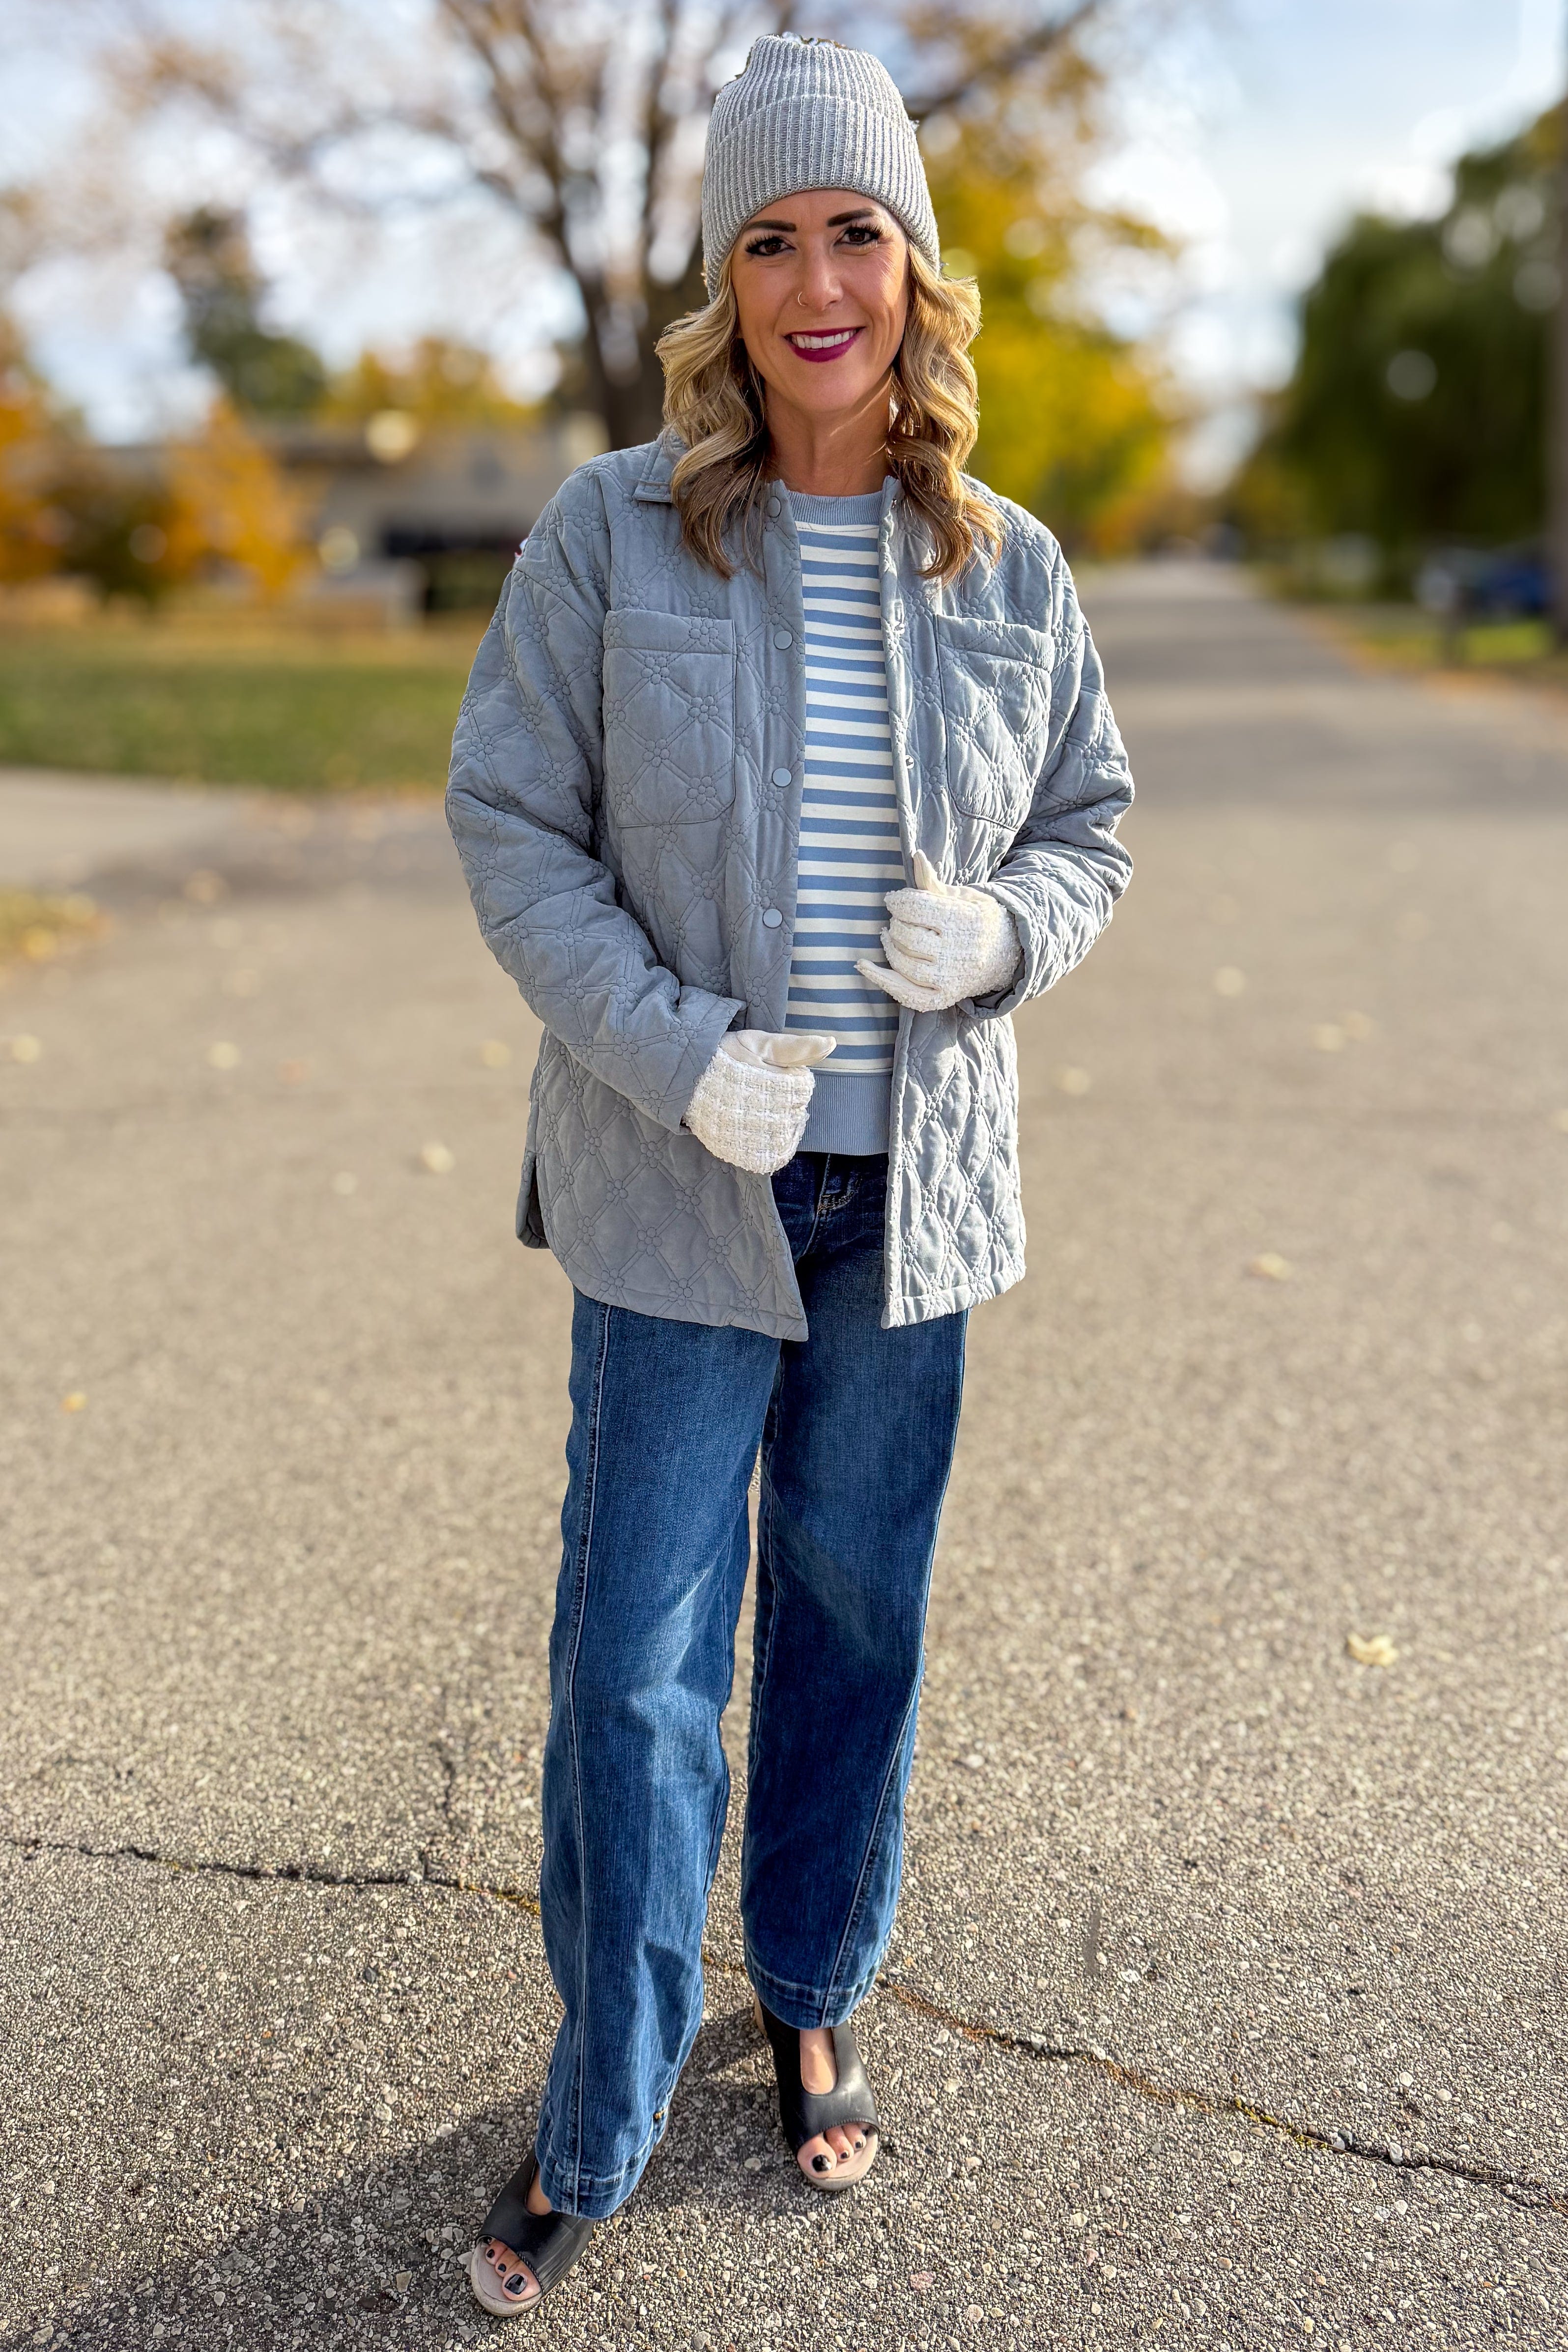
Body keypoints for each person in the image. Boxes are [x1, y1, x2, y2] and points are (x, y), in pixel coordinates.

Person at [446, 31, 1133, 2317]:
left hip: (907, 1208)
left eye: (855, 232)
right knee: (634, 1667)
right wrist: (674, 1049)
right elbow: (511, 826)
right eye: (769, 239)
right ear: (725, 282)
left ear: (916, 273)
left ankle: (813, 1986)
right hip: (678, 1187)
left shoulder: (1010, 565)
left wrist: (1013, 928)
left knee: (853, 1617)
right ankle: (601, 2103)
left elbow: (1093, 827)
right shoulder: (607, 531)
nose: (815, 279)